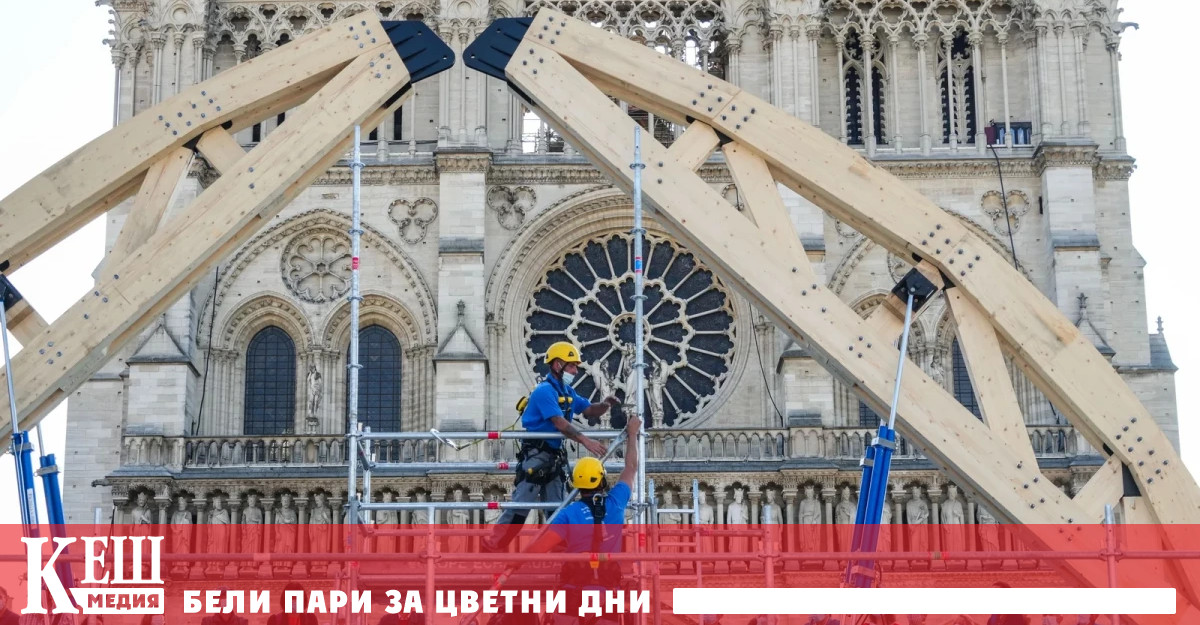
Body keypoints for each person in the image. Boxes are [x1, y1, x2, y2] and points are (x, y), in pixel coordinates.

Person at [499, 415, 641, 625]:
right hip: (607, 593)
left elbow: (536, 549)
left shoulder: (568, 514)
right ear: (602, 480)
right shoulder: (616, 503)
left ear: (575, 485)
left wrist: (512, 565)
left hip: (574, 592)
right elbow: (630, 468)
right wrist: (632, 434)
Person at [483, 341, 619, 552]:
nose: (575, 370)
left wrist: (606, 404)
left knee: (557, 507)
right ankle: (493, 546)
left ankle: (559, 549)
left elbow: (589, 410)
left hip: (554, 456)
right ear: (558, 365)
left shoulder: (567, 391)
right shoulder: (544, 391)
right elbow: (559, 422)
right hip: (537, 455)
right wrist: (585, 440)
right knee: (521, 506)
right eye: (572, 366)